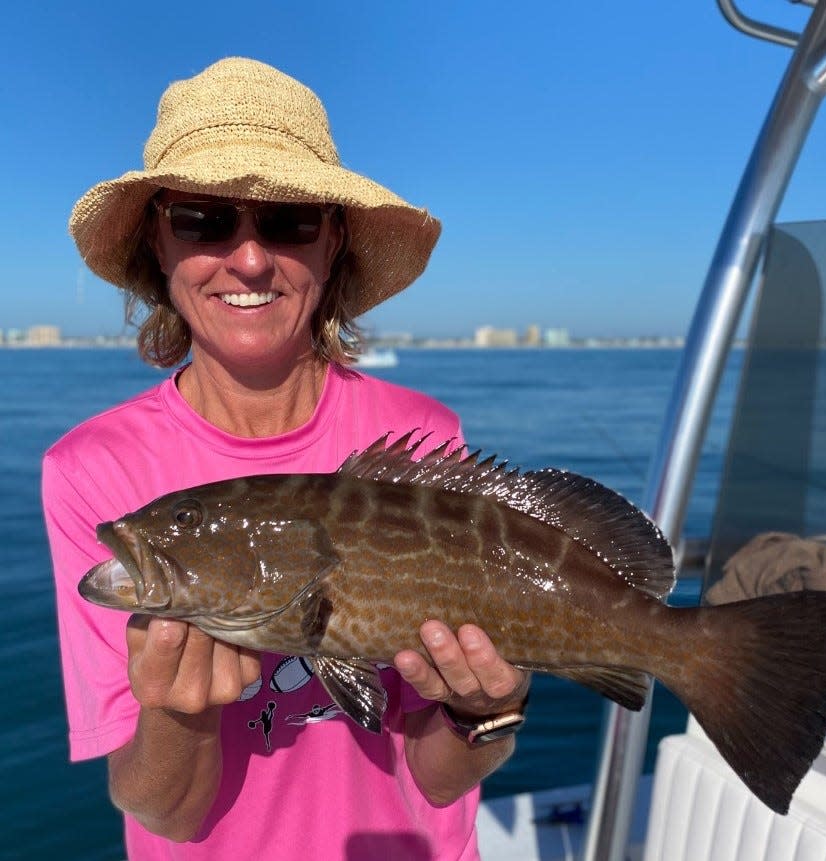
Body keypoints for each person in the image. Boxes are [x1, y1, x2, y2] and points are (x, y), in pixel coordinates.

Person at [43, 58, 529, 860]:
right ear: (157, 243)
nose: (251, 259)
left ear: (333, 243)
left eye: (290, 221)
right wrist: (179, 712)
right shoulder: (91, 471)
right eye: (202, 219)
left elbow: (440, 779)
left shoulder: (425, 434)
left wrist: (493, 706)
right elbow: (162, 812)